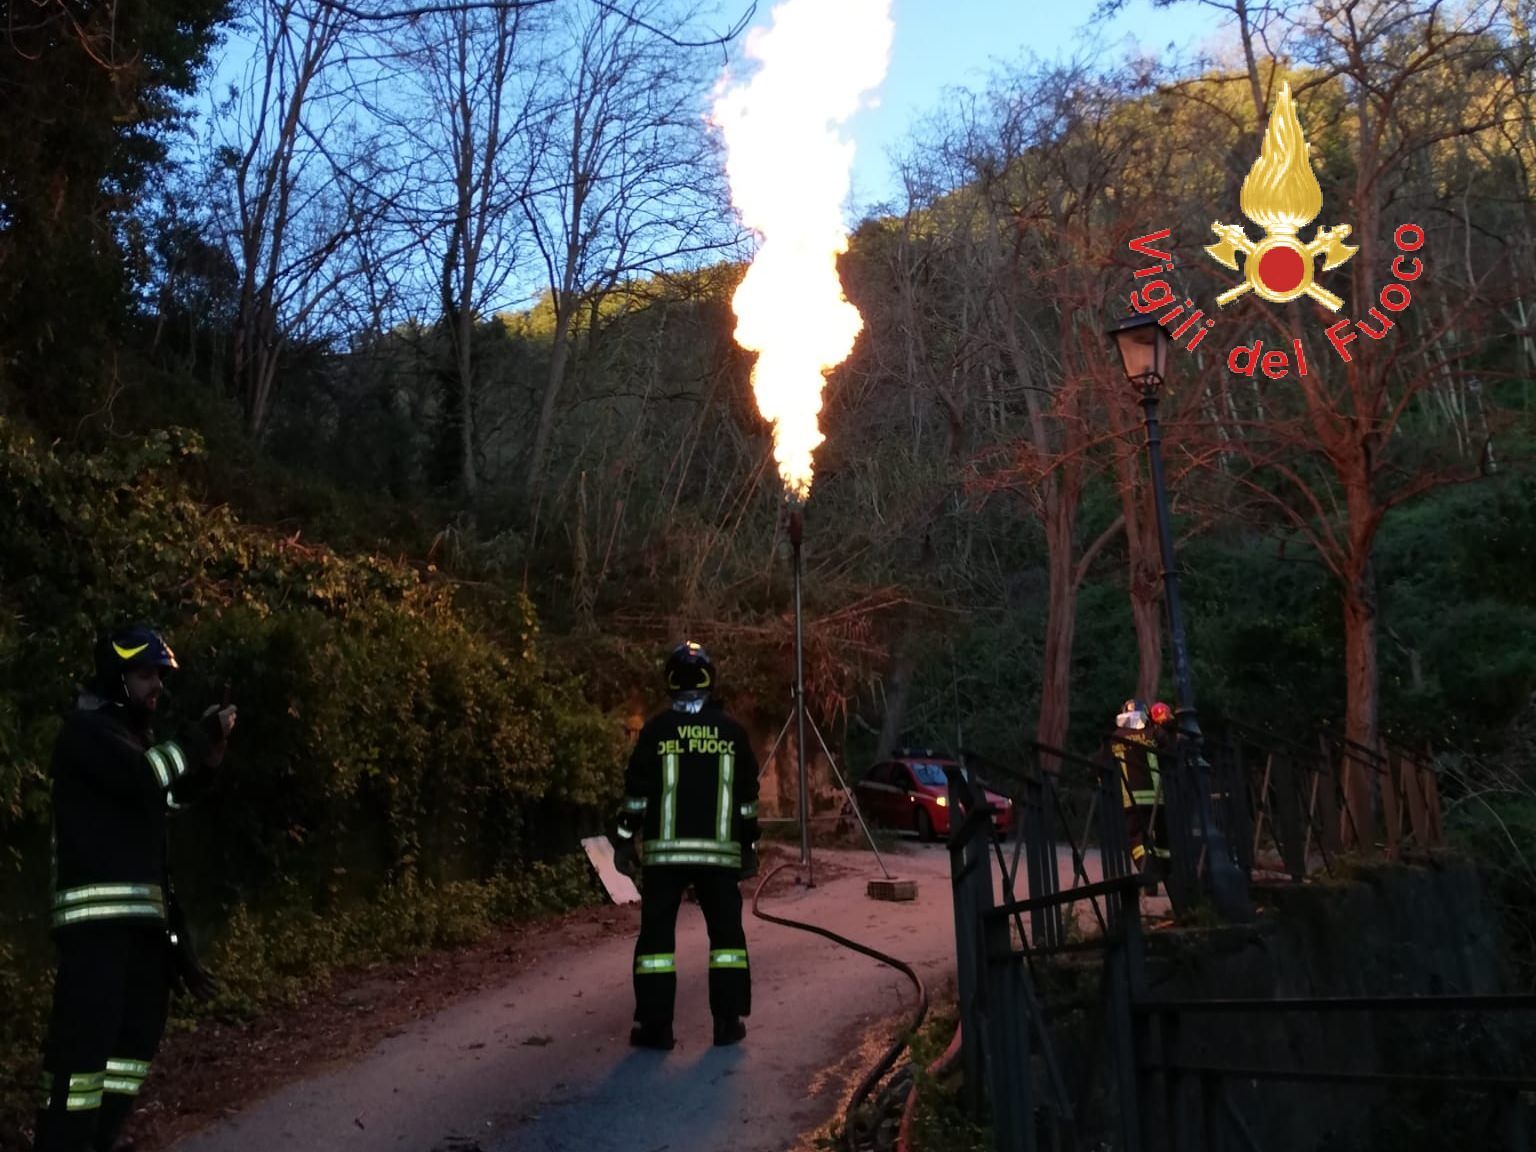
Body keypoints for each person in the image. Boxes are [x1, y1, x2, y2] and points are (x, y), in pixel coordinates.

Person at [34, 625, 236, 1152]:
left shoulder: (129, 740)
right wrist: (198, 737)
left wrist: (207, 766)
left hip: (140, 928)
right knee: (83, 1052)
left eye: (160, 677)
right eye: (147, 675)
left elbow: (163, 799)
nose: (157, 687)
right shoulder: (87, 733)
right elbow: (147, 777)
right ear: (116, 677)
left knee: (135, 1041)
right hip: (95, 928)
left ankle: (99, 1138)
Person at [612, 641, 759, 1050]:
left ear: (670, 680)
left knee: (656, 944)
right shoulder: (732, 733)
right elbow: (747, 800)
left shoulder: (656, 731)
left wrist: (623, 841)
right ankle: (727, 1023)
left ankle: (655, 1027)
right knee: (727, 939)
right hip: (720, 858)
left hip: (665, 859)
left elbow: (636, 794)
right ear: (711, 679)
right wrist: (749, 847)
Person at [1109, 698, 1167, 875]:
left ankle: (1148, 874)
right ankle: (1168, 875)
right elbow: (1169, 751)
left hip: (1131, 799)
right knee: (1162, 838)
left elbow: (1100, 762)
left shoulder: (1115, 737)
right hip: (1156, 798)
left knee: (1136, 839)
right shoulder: (1153, 734)